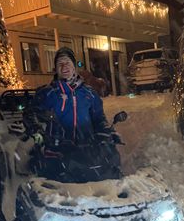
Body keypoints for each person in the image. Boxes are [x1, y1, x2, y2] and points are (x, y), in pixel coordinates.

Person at [24, 47, 116, 180]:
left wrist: (104, 134)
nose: (64, 67)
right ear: (56, 69)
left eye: (67, 62)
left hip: (87, 152)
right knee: (60, 195)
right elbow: (30, 114)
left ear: (74, 66)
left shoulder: (89, 93)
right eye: (60, 64)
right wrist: (37, 131)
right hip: (57, 153)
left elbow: (98, 118)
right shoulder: (47, 93)